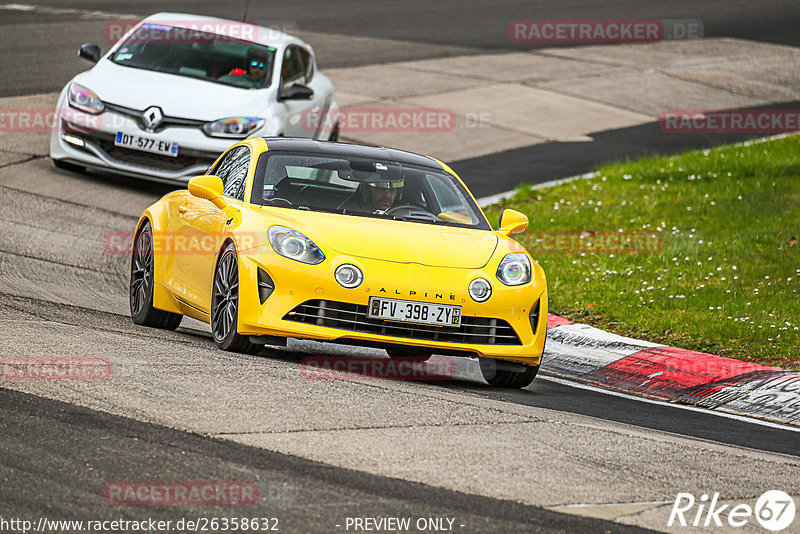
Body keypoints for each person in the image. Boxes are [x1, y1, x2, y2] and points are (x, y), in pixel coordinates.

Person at [340, 177, 404, 214]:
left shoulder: (405, 217)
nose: (387, 195)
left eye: (392, 190)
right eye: (381, 189)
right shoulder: (351, 213)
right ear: (369, 191)